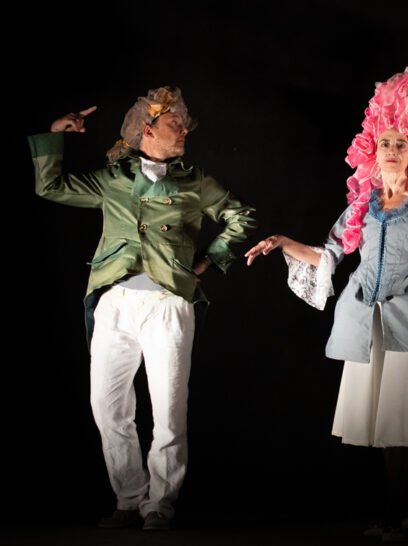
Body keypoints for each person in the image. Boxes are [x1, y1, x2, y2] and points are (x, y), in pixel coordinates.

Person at [245, 68, 408, 541]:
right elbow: (329, 253)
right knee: (381, 421)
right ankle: (399, 513)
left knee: (399, 420)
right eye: (385, 143)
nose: (391, 150)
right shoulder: (362, 203)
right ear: (372, 149)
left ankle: (397, 514)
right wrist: (283, 242)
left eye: (400, 144)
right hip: (365, 318)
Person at [28, 88, 256, 531]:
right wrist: (56, 133)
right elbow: (50, 186)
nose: (184, 130)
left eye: (184, 124)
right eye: (175, 123)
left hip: (168, 304)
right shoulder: (113, 179)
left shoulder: (195, 181)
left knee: (169, 409)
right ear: (147, 130)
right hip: (114, 302)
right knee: (106, 406)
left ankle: (160, 505)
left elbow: (241, 216)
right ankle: (129, 497)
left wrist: (209, 260)